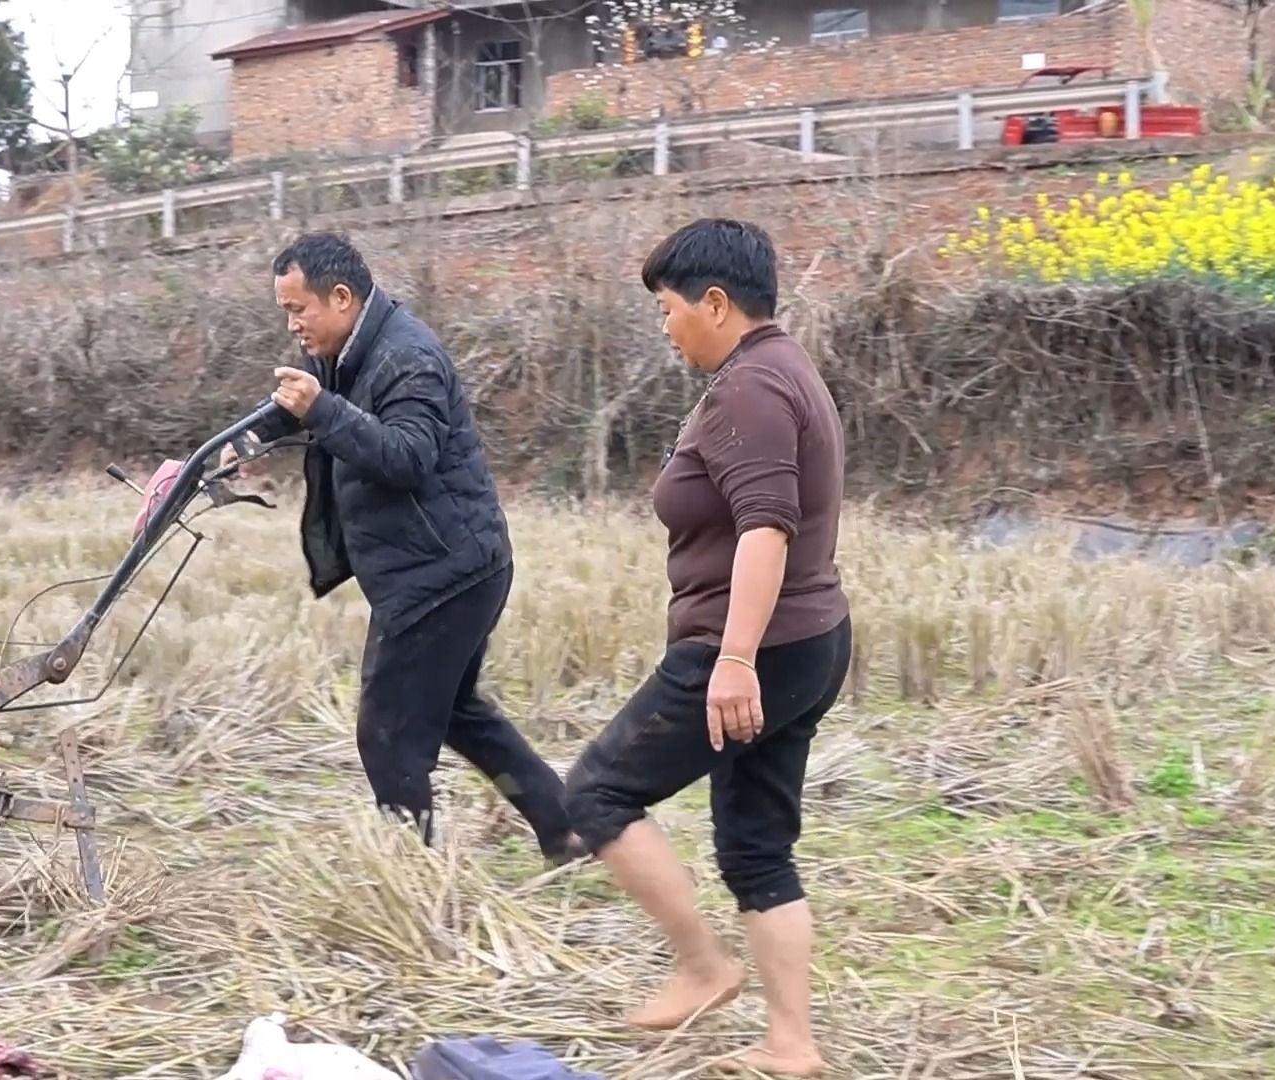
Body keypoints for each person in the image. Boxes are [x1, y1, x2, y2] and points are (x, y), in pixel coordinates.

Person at [561, 218, 851, 1078]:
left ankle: (702, 964)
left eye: (668, 307)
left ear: (715, 301)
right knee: (757, 846)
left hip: (750, 647)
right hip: (808, 641)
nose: (665, 324)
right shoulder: (787, 369)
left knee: (596, 794)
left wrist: (730, 661)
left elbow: (766, 527)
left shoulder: (749, 391)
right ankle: (792, 1046)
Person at [226, 230, 579, 865]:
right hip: (446, 565)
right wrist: (232, 447)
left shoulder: (407, 358)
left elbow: (406, 457)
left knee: (386, 733)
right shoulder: (344, 349)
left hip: (444, 575)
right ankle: (564, 827)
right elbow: (292, 405)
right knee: (457, 713)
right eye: (284, 310)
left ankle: (413, 874)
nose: (292, 324)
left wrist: (324, 411)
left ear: (340, 297)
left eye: (297, 309)